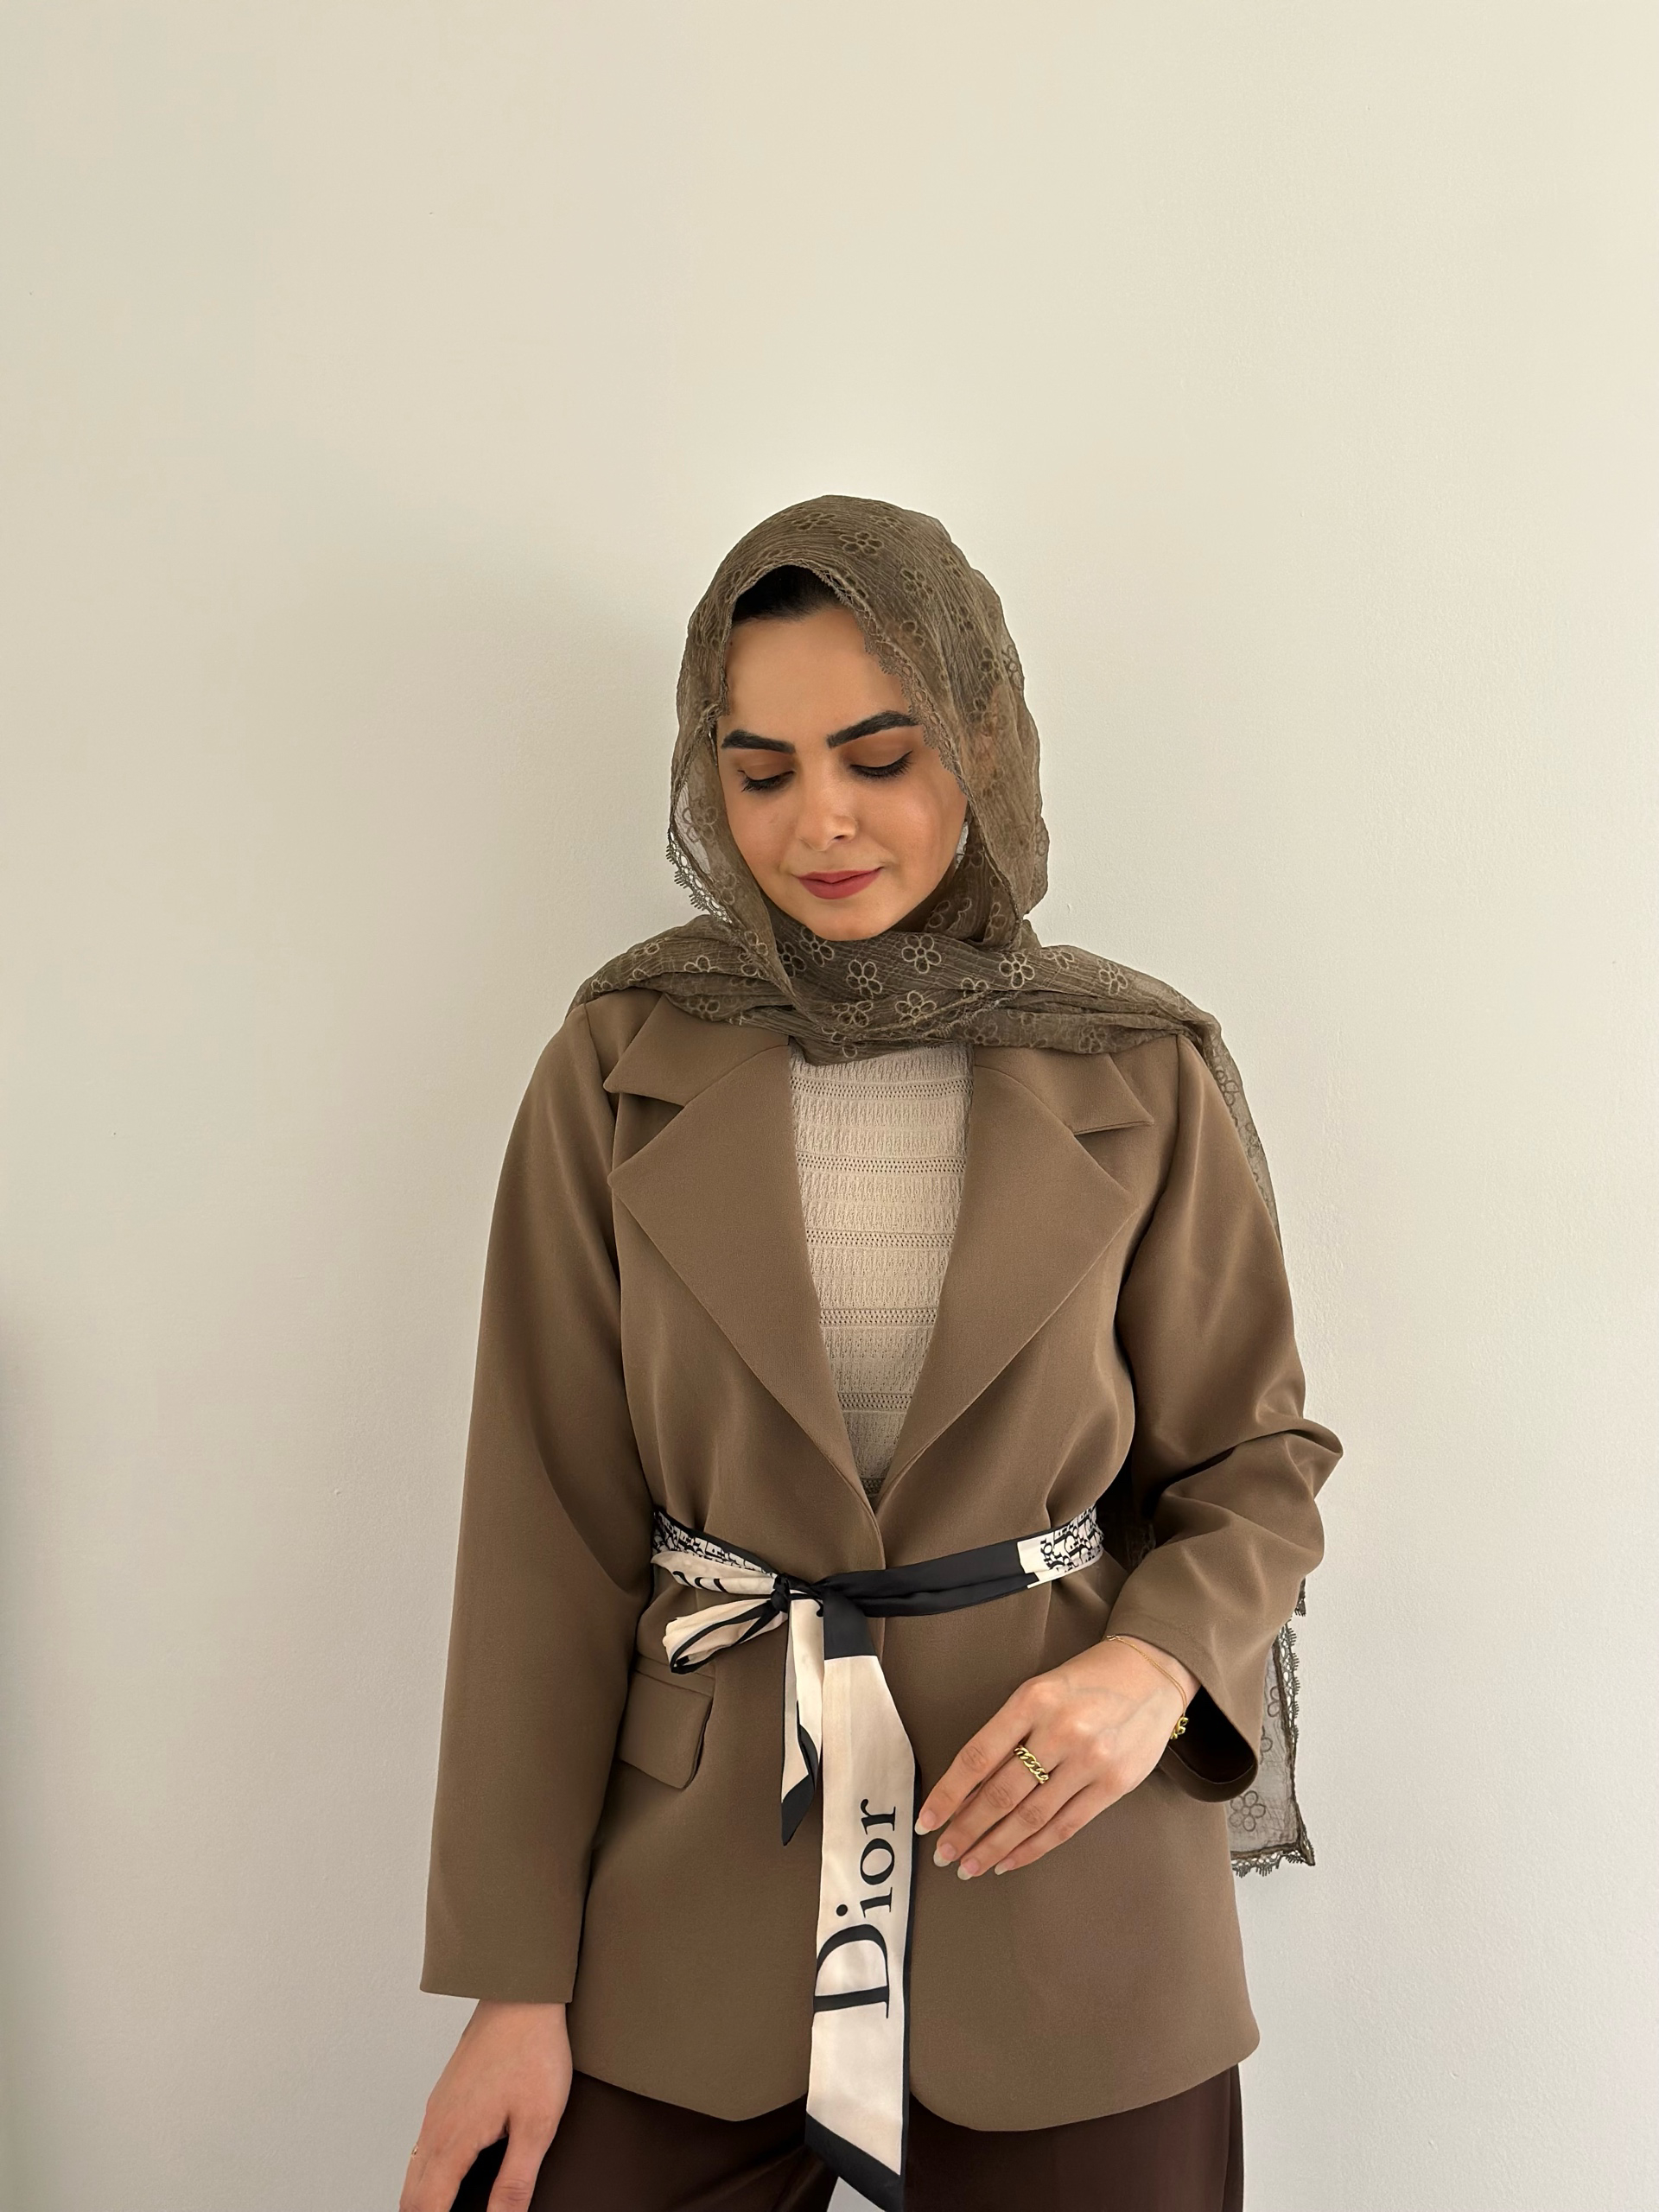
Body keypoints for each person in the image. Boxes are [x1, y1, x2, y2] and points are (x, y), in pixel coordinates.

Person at [400, 497, 1343, 2212]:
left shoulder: (1137, 1064)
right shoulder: (615, 1062)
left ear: (981, 740)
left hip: (1066, 1884)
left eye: (880, 754)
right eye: (759, 769)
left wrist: (1150, 1671)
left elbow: (1255, 1468)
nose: (819, 819)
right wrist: (512, 1985)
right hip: (691, 1910)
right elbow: (543, 1541)